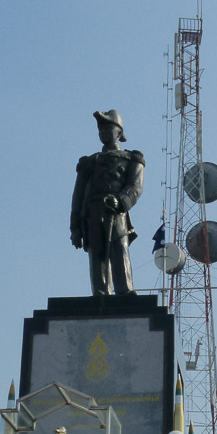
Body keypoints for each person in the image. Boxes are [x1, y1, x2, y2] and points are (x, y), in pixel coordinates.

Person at [70, 110, 145, 295]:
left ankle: (124, 291)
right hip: (92, 212)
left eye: (108, 128)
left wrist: (120, 201)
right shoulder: (89, 162)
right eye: (100, 129)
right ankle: (101, 292)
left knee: (120, 249)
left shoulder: (131, 159)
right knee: (97, 253)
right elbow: (78, 196)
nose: (103, 132)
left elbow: (135, 187)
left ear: (119, 132)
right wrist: (75, 228)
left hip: (116, 211)